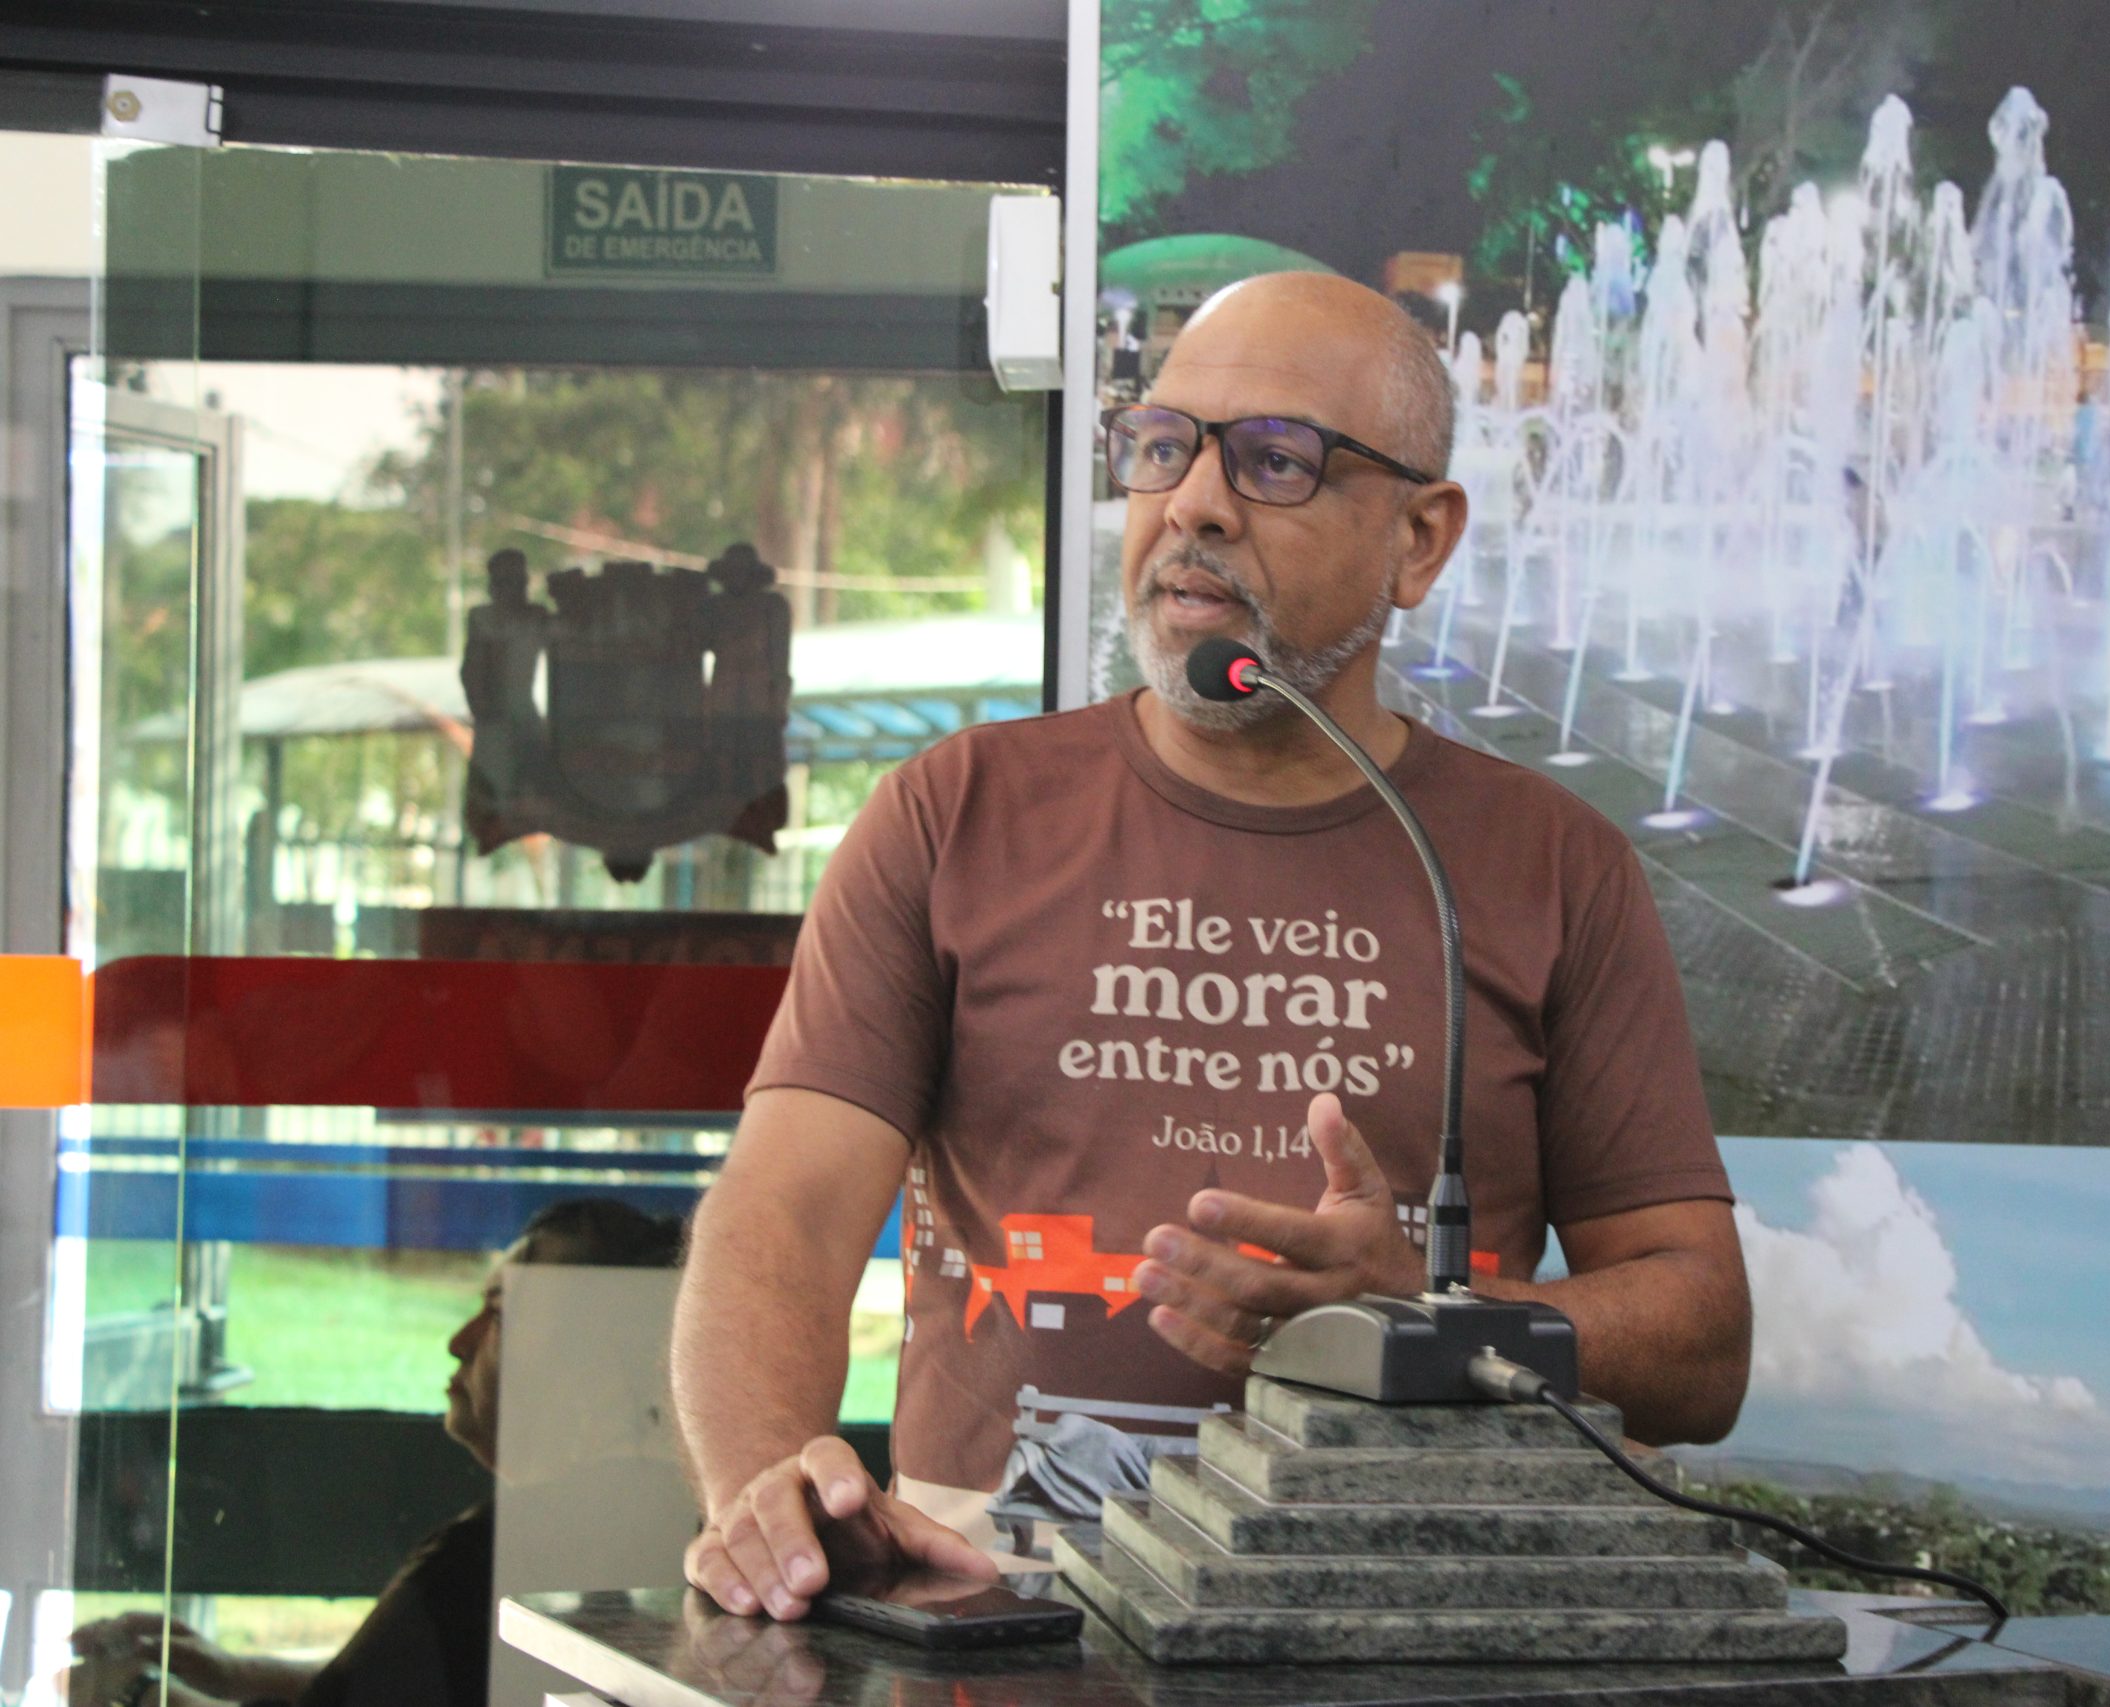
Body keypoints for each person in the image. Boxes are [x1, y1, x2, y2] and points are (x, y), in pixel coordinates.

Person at [671, 271, 1751, 1623]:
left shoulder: (1550, 862)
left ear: (1419, 538)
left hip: (1403, 1629)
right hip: (1002, 1620)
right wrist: (765, 1485)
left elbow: (1703, 1340)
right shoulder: (955, 813)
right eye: (1163, 445)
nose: (1192, 504)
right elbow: (782, 1211)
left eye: (1275, 461)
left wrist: (1431, 1317)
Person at [68, 1200, 685, 1707]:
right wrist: (238, 1675)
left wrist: (133, 1694)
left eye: (501, 1316)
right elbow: (423, 1690)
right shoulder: (666, 1523)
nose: (459, 1341)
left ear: (593, 1369)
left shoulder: (491, 1558)